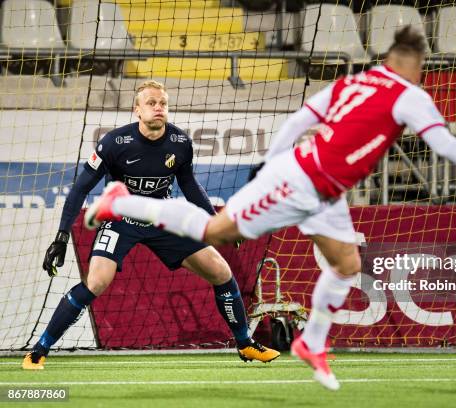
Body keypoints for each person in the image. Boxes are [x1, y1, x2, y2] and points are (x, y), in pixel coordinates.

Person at [84, 27, 456, 390]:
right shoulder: (408, 93)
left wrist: (269, 161)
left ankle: (311, 343)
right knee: (217, 231)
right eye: (422, 66)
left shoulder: (356, 81)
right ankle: (125, 201)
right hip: (303, 182)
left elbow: (300, 120)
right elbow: (443, 143)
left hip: (322, 188)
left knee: (346, 262)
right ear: (413, 64)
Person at [22, 80, 279, 370]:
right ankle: (38, 351)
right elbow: (80, 189)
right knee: (95, 283)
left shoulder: (181, 143)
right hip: (120, 219)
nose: (158, 108)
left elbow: (190, 185)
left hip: (161, 218)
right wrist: (61, 236)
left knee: (221, 272)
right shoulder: (113, 143)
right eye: (151, 103)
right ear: (137, 110)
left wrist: (218, 222)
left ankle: (245, 344)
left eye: (163, 104)